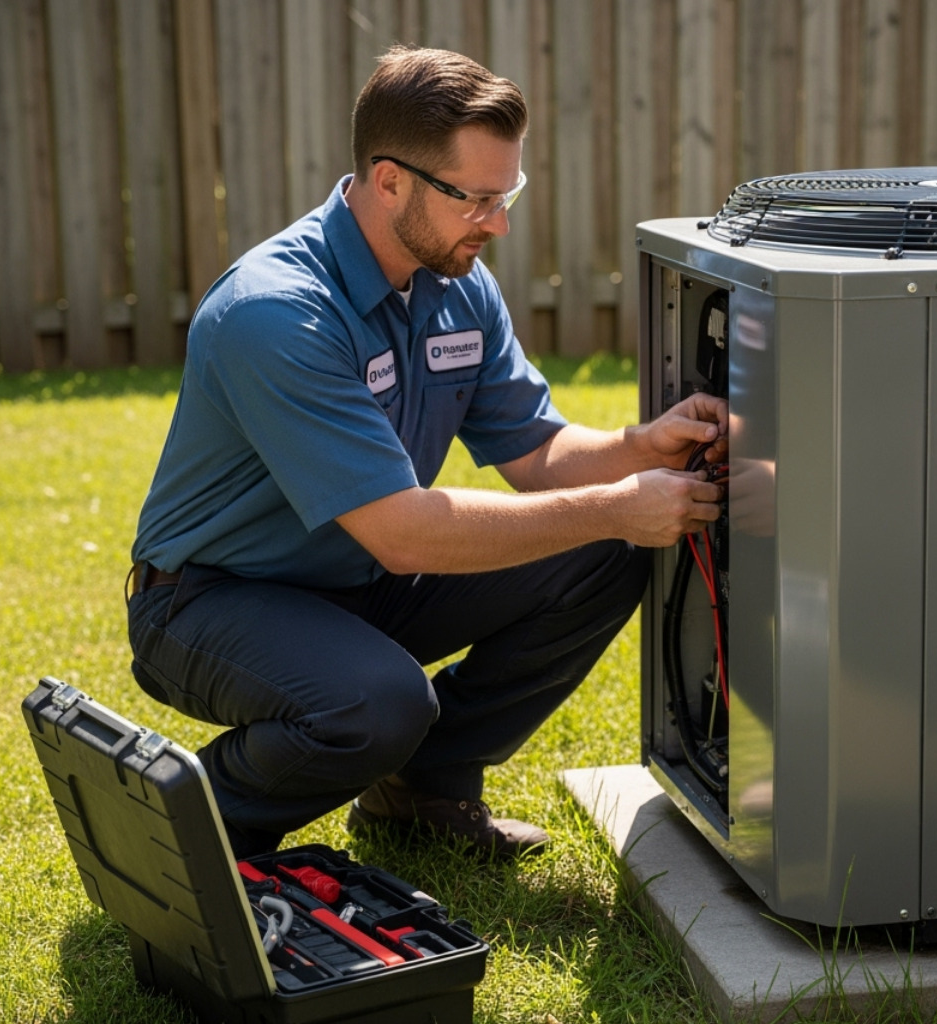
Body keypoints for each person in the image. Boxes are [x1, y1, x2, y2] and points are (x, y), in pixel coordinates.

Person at [125, 46, 726, 860]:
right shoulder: (275, 312)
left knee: (610, 549)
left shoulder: (458, 284)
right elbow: (406, 531)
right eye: (475, 198)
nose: (499, 223)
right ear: (390, 180)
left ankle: (421, 792)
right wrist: (612, 503)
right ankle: (179, 840)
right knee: (379, 701)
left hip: (362, 579)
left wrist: (638, 449)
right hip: (211, 600)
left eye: (506, 193)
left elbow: (537, 451)